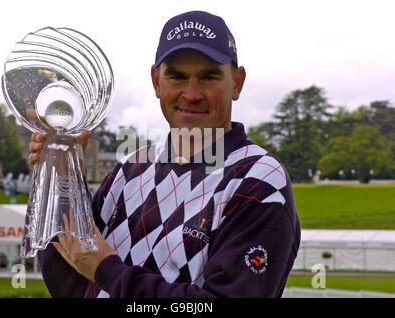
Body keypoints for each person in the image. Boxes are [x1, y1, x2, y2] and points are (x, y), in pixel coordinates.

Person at [29, 10, 300, 298]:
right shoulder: (129, 170)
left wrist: (105, 269)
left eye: (209, 77)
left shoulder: (258, 180)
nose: (192, 93)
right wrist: (60, 177)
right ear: (156, 81)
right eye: (177, 76)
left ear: (237, 82)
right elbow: (68, 282)